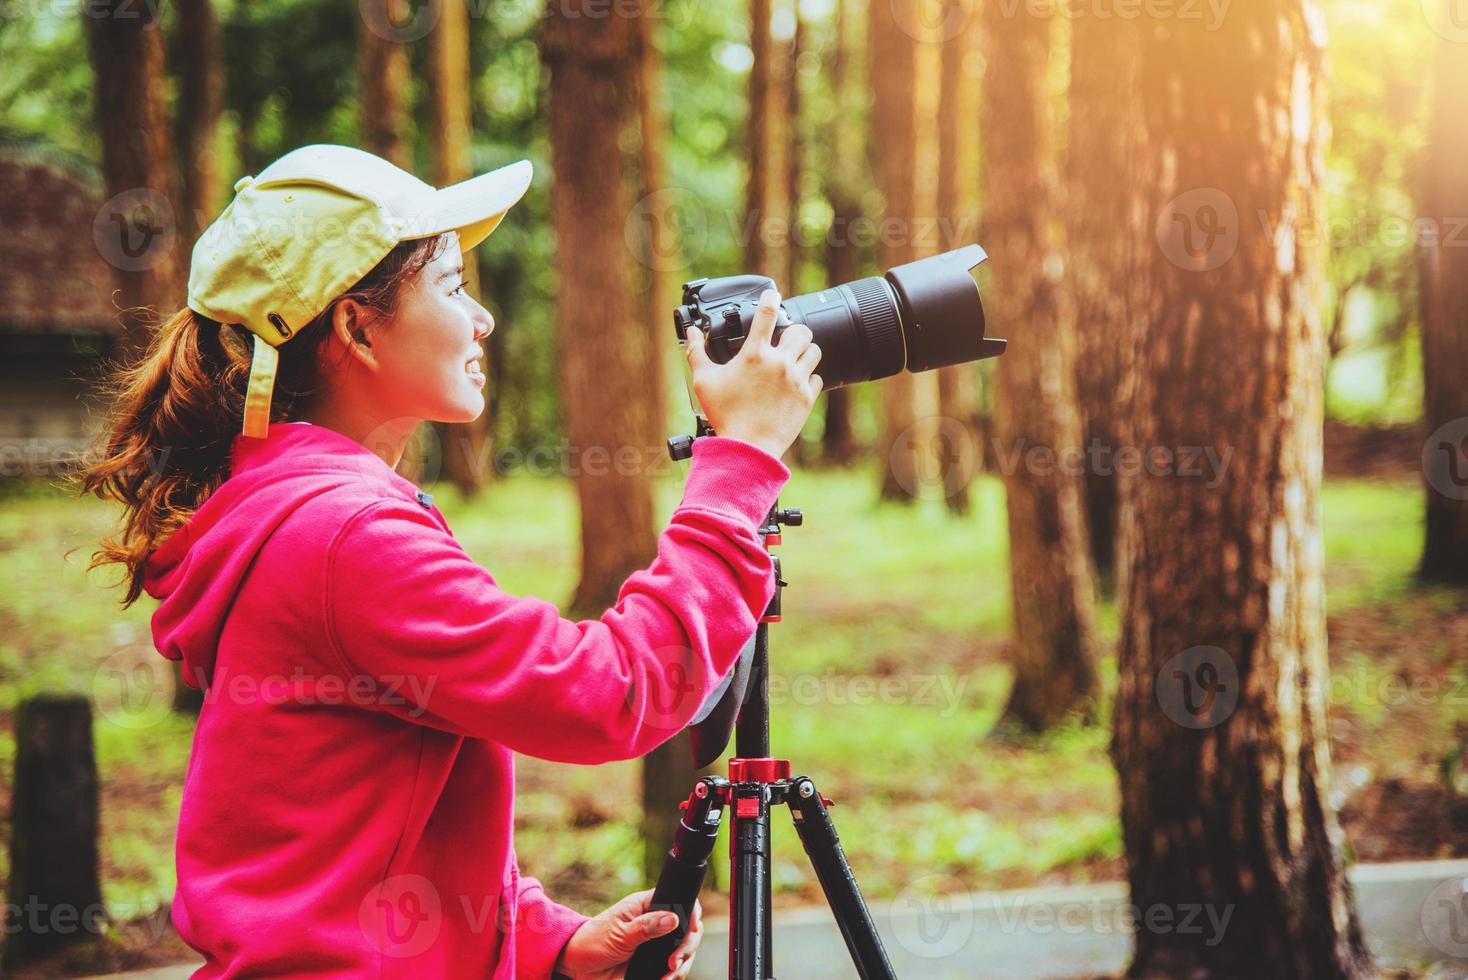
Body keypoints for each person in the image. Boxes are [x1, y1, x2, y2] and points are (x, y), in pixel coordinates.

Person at [79, 144, 823, 979]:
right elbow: (610, 693)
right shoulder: (343, 536)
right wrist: (741, 466)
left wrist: (546, 939)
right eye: (453, 287)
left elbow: (361, 808)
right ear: (356, 327)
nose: (484, 320)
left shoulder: (286, 513)